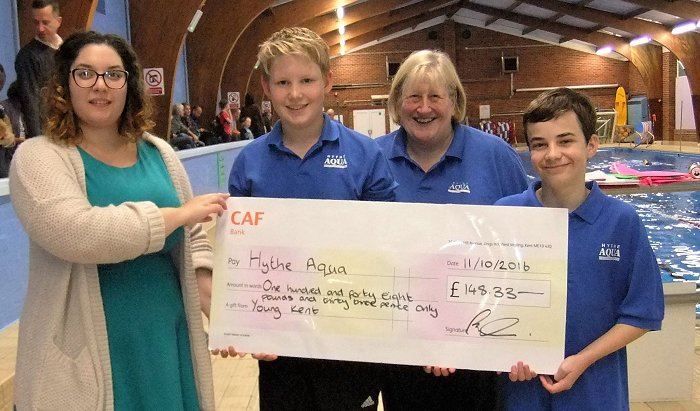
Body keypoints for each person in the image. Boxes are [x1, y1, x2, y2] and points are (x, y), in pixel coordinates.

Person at [9, 30, 229, 410]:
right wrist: (174, 216)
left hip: (165, 339)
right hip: (88, 355)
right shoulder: (38, 157)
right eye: (85, 73)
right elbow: (75, 232)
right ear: (64, 83)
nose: (100, 85)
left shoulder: (159, 153)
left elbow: (191, 241)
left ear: (129, 85)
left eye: (114, 74)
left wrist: (229, 318)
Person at [226, 26, 397, 411]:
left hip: (350, 341)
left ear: (327, 82)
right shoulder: (250, 162)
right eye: (283, 82)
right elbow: (239, 258)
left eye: (306, 80)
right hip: (280, 345)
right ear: (266, 88)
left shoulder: (365, 154)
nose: (295, 94)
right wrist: (243, 323)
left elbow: (388, 245)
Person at [375, 49, 529, 410]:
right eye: (413, 97)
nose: (423, 108)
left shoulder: (495, 156)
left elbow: (527, 246)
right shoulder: (372, 157)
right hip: (400, 343)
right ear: (397, 102)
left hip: (480, 341)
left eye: (435, 96)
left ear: (455, 101)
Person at [495, 88, 664, 410]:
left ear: (591, 145)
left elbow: (643, 314)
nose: (552, 154)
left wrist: (584, 359)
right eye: (539, 144)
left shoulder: (621, 221)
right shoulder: (505, 215)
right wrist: (504, 353)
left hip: (596, 392)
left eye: (565, 141)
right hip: (523, 394)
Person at [15, 0, 63, 138]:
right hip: (48, 132)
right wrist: (38, 140)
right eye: (36, 22)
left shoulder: (69, 50)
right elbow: (30, 102)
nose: (40, 28)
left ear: (58, 21)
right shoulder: (27, 56)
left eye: (45, 22)